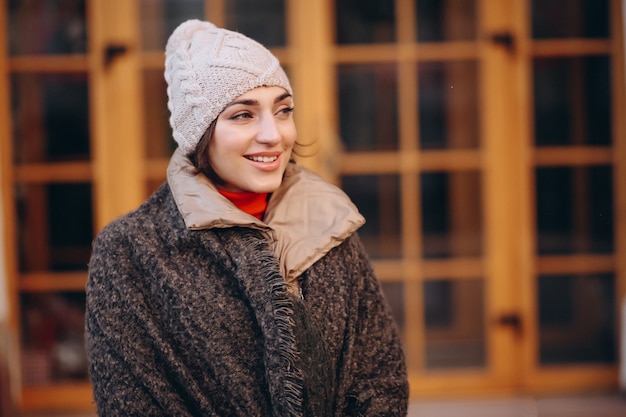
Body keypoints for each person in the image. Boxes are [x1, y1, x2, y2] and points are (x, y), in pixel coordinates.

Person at [85, 19, 408, 416]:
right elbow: (132, 404)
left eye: (283, 110)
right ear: (200, 134)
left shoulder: (329, 221)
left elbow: (381, 374)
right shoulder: (130, 250)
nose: (274, 134)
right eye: (243, 115)